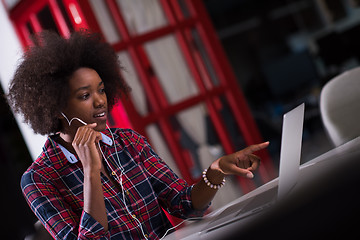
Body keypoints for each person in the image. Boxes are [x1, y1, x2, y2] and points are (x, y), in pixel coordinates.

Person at [7, 30, 269, 239]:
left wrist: (216, 170)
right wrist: (90, 172)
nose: (101, 101)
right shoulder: (39, 179)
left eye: (101, 89)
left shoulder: (128, 142)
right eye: (85, 96)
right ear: (56, 106)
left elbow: (183, 203)